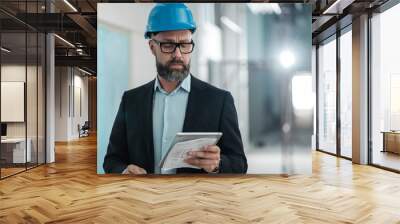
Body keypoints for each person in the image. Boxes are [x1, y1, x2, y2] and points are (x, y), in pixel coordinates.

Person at [103, 3, 247, 174]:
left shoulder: (219, 101)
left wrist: (217, 164)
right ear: (152, 47)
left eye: (185, 45)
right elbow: (112, 160)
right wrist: (124, 170)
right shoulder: (131, 100)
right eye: (168, 45)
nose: (178, 54)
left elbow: (239, 164)